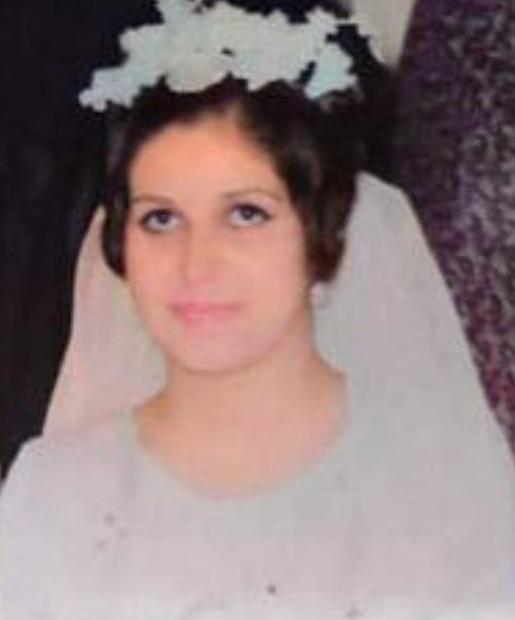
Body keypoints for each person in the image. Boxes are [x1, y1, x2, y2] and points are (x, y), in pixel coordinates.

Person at [1, 1, 514, 618]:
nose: (197, 264)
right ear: (119, 244)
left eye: (246, 214)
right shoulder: (52, 492)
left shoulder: (440, 490)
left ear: (321, 233)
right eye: (160, 218)